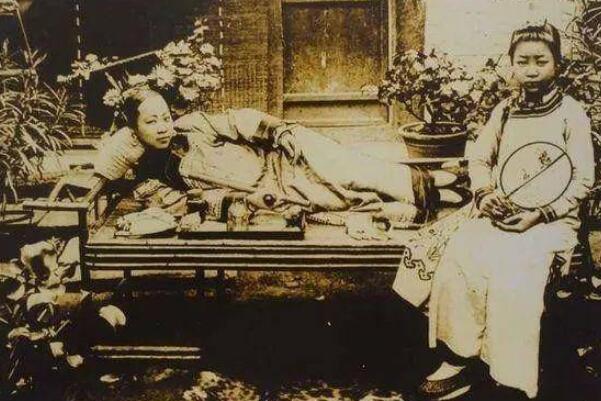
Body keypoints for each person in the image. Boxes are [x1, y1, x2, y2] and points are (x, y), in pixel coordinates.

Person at [417, 22, 595, 400]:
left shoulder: (572, 114)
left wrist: (540, 214)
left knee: (517, 270)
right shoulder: (505, 111)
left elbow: (584, 178)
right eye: (522, 61)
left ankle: (509, 375)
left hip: (550, 219)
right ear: (511, 65)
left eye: (540, 61)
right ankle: (460, 357)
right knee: (461, 253)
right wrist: (484, 194)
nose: (531, 70)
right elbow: (480, 159)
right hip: (503, 210)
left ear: (557, 64)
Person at [93, 89, 461, 234]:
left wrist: (278, 132)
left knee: (342, 166)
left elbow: (238, 120)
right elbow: (184, 205)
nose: (163, 126)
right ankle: (430, 195)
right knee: (342, 199)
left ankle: (427, 184)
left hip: (281, 157)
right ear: (133, 129)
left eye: (164, 117)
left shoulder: (192, 128)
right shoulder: (150, 179)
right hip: (267, 192)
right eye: (151, 122)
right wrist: (235, 201)